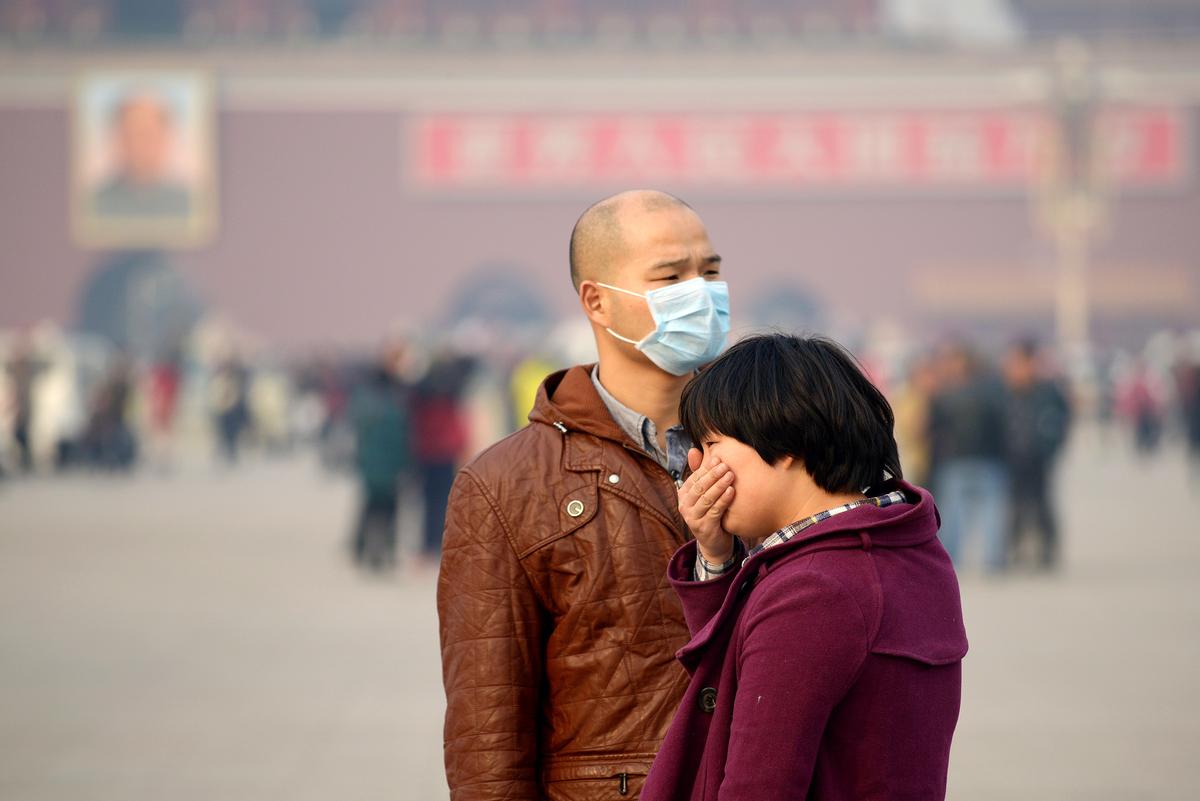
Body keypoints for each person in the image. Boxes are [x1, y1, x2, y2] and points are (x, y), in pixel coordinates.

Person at [437, 189, 729, 800]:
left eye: (710, 271)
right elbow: (489, 729)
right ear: (598, 301)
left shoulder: (777, 446)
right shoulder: (505, 485)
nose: (700, 293)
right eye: (671, 276)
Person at [642, 334, 967, 801]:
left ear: (784, 439)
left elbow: (757, 785)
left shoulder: (813, 591)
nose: (698, 465)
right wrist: (715, 555)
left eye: (712, 444)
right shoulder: (902, 546)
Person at [928, 341, 1010, 572]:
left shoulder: (944, 394)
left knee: (953, 514)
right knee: (991, 513)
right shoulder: (993, 393)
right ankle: (993, 559)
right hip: (988, 459)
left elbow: (933, 429)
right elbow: (1001, 427)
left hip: (955, 459)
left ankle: (949, 558)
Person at [1003, 339, 1071, 570]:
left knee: (1042, 504)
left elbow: (1063, 419)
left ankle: (1046, 550)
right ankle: (1014, 548)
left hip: (1039, 457)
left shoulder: (1048, 391)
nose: (1016, 368)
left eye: (1021, 362)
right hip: (1011, 457)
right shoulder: (1005, 389)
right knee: (1014, 505)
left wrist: (1052, 446)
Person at [349, 360, 411, 570]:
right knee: (389, 509)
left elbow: (359, 439)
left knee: (370, 507)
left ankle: (362, 546)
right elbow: (402, 442)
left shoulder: (364, 404)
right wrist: (407, 465)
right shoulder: (395, 408)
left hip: (371, 467)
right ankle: (386, 549)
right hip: (390, 468)